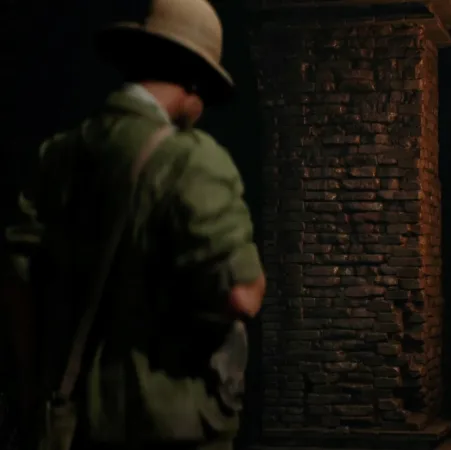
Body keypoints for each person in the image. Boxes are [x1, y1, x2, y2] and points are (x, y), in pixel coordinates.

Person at [3, 0, 265, 449]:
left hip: (67, 425)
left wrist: (36, 389)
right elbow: (240, 295)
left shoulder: (59, 153)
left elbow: (17, 278)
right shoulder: (193, 161)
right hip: (163, 424)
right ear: (194, 80)